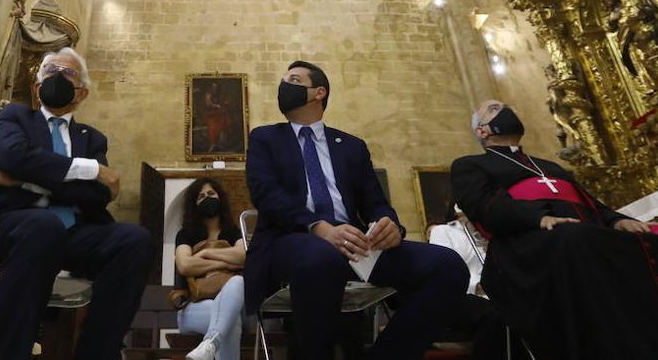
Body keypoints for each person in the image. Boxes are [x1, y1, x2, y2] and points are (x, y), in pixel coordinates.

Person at [453, 99, 658, 360]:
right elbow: (483, 205)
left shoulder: (548, 166)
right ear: (482, 131)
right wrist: (537, 219)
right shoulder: (470, 165)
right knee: (576, 239)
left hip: (581, 237)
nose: (505, 109)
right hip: (526, 248)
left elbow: (590, 202)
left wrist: (615, 220)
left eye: (504, 105)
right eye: (494, 109)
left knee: (654, 242)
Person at [244, 61, 469, 359]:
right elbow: (267, 195)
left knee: (448, 266)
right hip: (290, 240)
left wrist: (389, 224)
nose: (284, 86)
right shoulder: (265, 138)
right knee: (321, 258)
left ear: (318, 93)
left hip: (353, 244)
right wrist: (319, 227)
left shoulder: (351, 146)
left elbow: (374, 201)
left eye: (294, 80)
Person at [0, 47, 151, 360]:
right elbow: (10, 155)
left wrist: (25, 179)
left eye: (66, 72)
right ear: (38, 87)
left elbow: (98, 195)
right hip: (11, 229)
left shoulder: (91, 139)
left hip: (72, 234)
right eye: (50, 70)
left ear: (81, 93)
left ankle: (96, 352)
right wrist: (90, 170)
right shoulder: (16, 116)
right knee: (42, 226)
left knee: (135, 240)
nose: (57, 76)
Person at [173, 178, 246, 360]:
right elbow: (184, 265)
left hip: (233, 306)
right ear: (194, 204)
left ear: (220, 198)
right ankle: (212, 342)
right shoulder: (185, 234)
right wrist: (226, 261)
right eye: (201, 196)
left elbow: (243, 257)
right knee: (230, 319)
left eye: (211, 194)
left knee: (237, 283)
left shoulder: (233, 231)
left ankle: (210, 344)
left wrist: (205, 255)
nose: (207, 198)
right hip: (193, 308)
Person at [426, 208, 509, 360]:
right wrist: (476, 286)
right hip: (461, 297)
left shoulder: (494, 234)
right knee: (495, 316)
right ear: (458, 208)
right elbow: (445, 274)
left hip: (497, 297)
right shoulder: (443, 231)